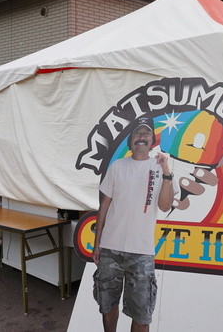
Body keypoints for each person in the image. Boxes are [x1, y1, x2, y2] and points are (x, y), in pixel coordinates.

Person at [91, 116, 175, 332]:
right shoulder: (117, 166)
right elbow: (104, 207)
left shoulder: (159, 167)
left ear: (152, 140)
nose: (141, 137)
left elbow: (165, 206)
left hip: (141, 251)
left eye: (146, 133)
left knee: (142, 313)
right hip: (110, 248)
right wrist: (97, 244)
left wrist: (167, 173)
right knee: (107, 304)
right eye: (137, 133)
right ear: (130, 140)